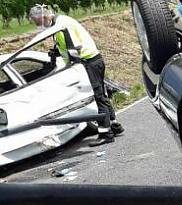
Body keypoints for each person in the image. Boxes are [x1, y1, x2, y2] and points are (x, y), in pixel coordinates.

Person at [28, 5, 123, 146]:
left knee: (98, 96)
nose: (38, 25)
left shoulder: (61, 26)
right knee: (101, 94)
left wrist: (68, 65)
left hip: (89, 61)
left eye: (37, 22)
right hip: (94, 59)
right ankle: (115, 126)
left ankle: (106, 133)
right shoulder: (60, 22)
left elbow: (74, 48)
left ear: (43, 17)